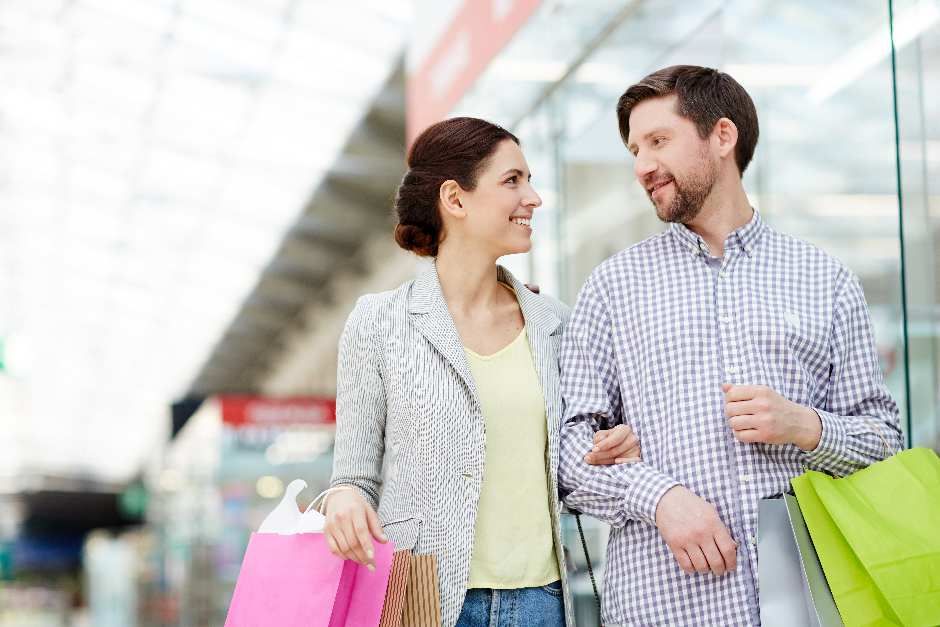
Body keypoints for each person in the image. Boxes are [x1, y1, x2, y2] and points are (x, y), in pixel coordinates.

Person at [558, 65, 903, 626]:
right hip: (664, 606)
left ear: (722, 136)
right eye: (634, 149)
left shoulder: (824, 279)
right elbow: (571, 455)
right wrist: (660, 497)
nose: (642, 165)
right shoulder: (612, 288)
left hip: (811, 605)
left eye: (658, 141)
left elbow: (885, 440)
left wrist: (805, 426)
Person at [323, 116, 640, 627]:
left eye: (530, 180)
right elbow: (353, 478)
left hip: (542, 601)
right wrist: (342, 500)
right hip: (418, 593)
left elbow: (581, 460)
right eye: (513, 180)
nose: (533, 197)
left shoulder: (556, 324)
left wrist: (617, 446)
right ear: (455, 198)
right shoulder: (380, 322)